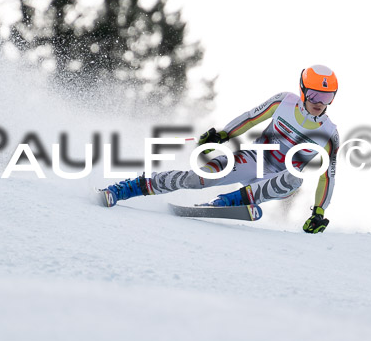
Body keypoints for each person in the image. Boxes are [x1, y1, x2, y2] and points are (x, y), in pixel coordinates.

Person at [100, 64, 340, 234]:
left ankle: (228, 202)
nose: (320, 102)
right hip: (253, 159)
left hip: (278, 179)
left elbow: (327, 176)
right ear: (303, 90)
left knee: (294, 178)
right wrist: (223, 134)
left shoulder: (329, 134)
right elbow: (250, 119)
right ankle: (125, 189)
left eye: (327, 97)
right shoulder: (284, 102)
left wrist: (319, 211)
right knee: (196, 179)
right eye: (315, 94)